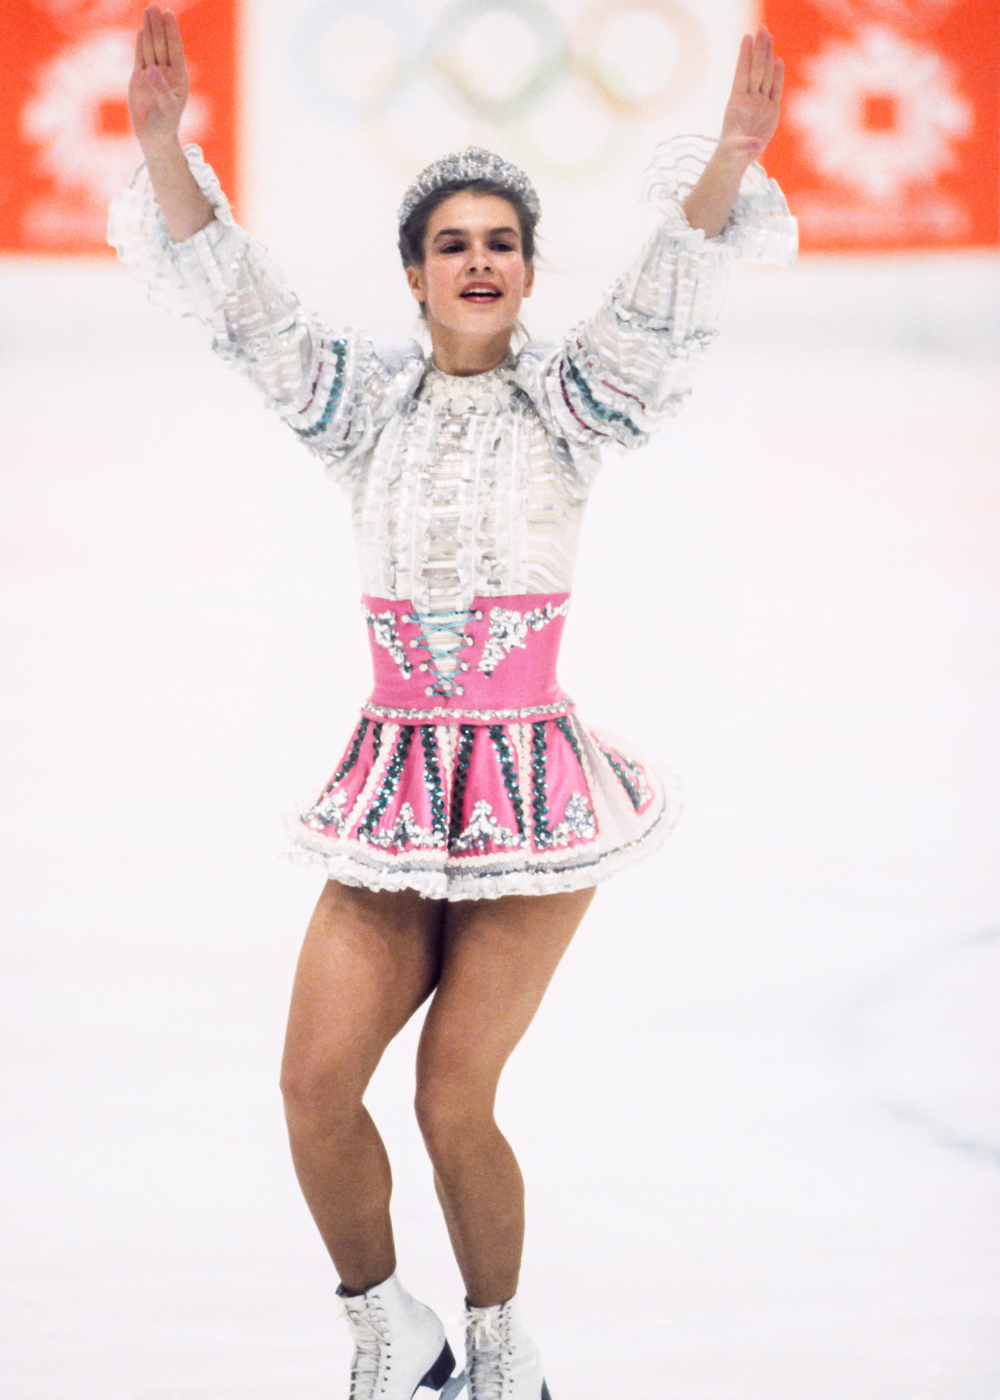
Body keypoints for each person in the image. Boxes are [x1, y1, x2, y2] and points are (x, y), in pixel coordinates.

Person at [109, 7, 795, 1397]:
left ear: (528, 272)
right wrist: (166, 150)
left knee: (448, 1098)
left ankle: (501, 1349)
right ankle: (390, 1329)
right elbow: (242, 304)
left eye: (501, 242)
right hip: (394, 788)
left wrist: (730, 156)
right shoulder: (362, 409)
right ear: (415, 274)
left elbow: (662, 297)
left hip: (533, 799)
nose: (479, 260)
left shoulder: (571, 408)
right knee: (313, 1085)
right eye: (452, 243)